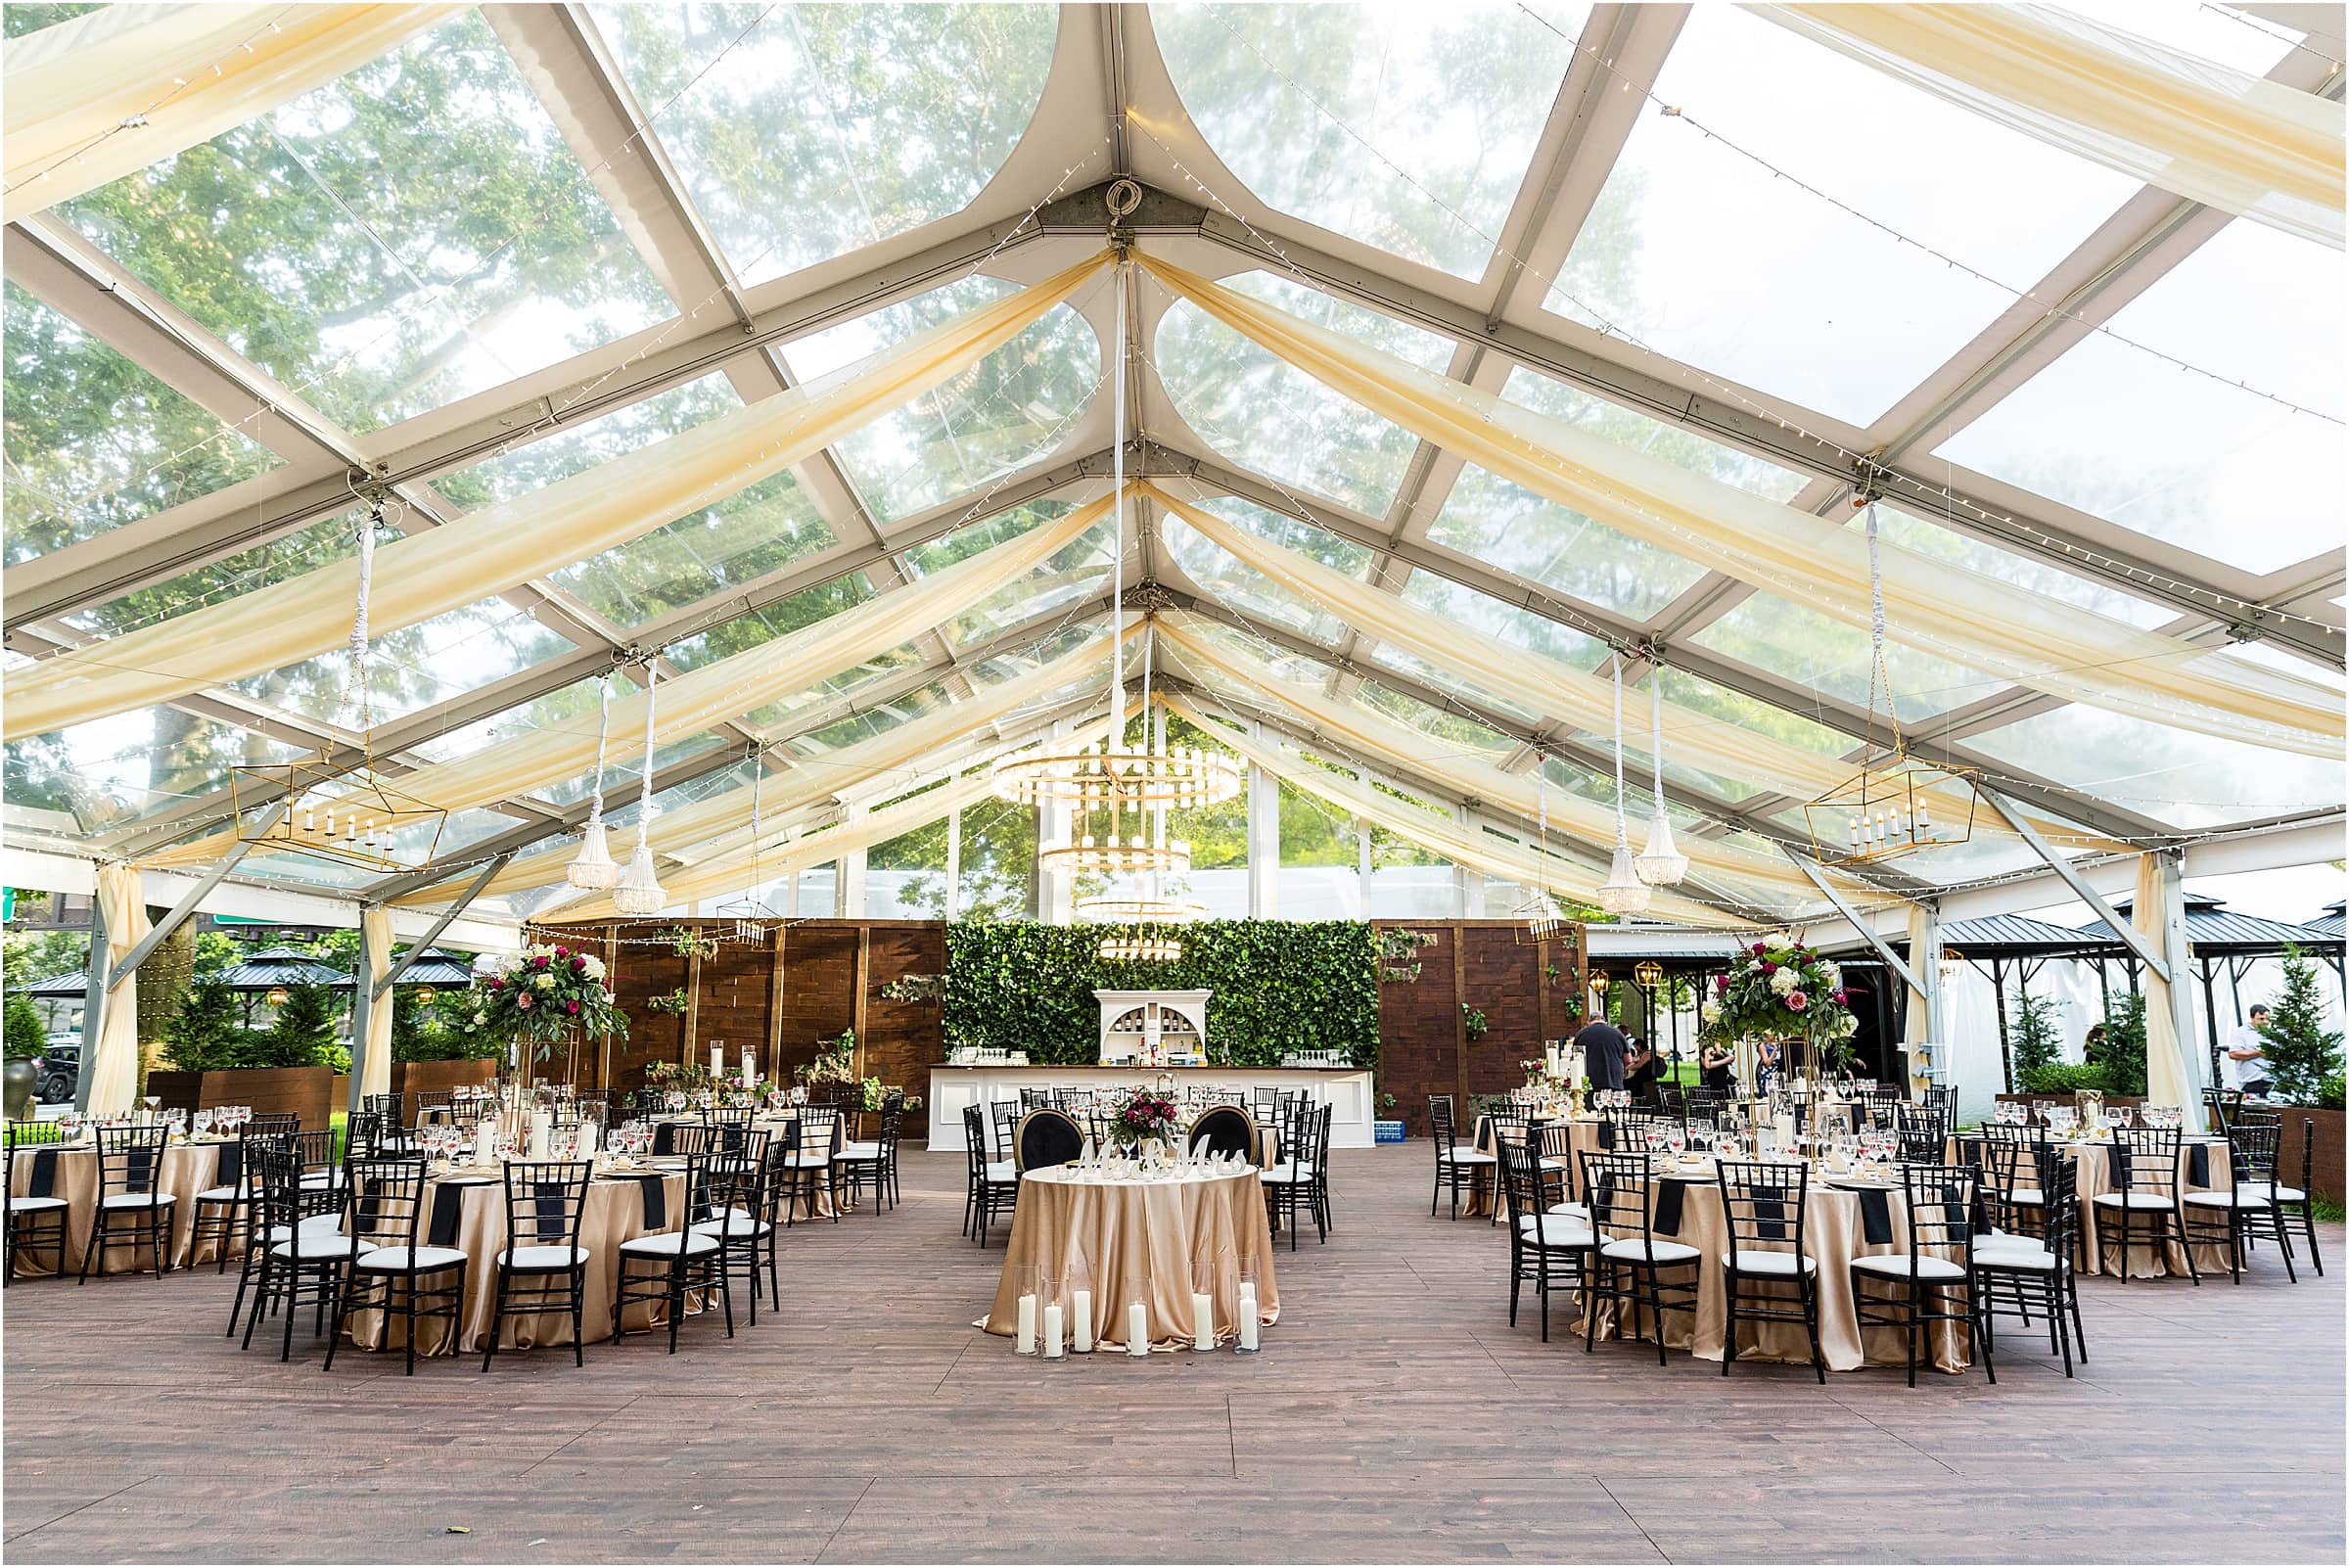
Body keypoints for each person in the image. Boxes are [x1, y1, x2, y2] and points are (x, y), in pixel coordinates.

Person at [2225, 1005, 2276, 1098]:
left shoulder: (2272, 1033)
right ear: (2252, 1018)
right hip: (2252, 1082)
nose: (2265, 1022)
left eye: (2268, 1019)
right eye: (2261, 1019)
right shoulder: (2241, 1032)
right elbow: (2233, 1054)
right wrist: (2259, 1053)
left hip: (2272, 1082)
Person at [1575, 1016, 1628, 1094]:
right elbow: (1628, 1059)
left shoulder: (1581, 1034)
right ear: (1605, 1022)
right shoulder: (1618, 1034)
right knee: (1614, 1104)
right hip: (1614, 1080)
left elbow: (1576, 1057)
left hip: (1590, 1082)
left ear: (1588, 1022)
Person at [1624, 1033, 1658, 1105]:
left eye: (1636, 1046)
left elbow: (1639, 1065)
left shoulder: (1647, 1054)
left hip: (1643, 1078)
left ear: (1639, 1045)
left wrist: (1627, 1068)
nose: (1635, 1048)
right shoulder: (1641, 1054)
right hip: (1639, 1077)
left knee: (1626, 1084)